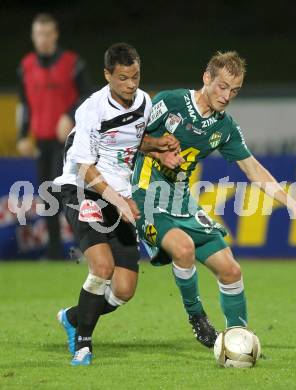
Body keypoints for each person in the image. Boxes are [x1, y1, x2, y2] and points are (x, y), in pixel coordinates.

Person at [132, 51, 296, 348]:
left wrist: (294, 205)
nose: (227, 95)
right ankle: (197, 318)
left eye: (234, 90)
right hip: (145, 195)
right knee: (183, 248)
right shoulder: (170, 102)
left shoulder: (225, 127)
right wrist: (156, 150)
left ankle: (238, 341)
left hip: (182, 200)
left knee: (231, 270)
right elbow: (128, 138)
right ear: (206, 79)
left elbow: (254, 169)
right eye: (222, 86)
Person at [54, 42, 179, 366]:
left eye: (135, 76)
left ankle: (73, 317)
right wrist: (119, 202)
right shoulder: (91, 110)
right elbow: (84, 167)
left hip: (118, 192)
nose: (131, 84)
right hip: (83, 188)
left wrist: (156, 149)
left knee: (124, 289)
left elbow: (130, 140)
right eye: (123, 78)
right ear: (107, 75)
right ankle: (83, 344)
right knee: (102, 267)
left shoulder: (144, 101)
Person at [16, 13, 91, 259]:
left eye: (48, 34)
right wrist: (23, 134)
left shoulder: (72, 64)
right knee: (48, 197)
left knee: (71, 196)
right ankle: (55, 253)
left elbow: (88, 98)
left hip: (70, 143)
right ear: (33, 36)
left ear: (56, 35)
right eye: (39, 34)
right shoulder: (26, 67)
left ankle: (88, 249)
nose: (44, 39)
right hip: (43, 142)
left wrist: (69, 114)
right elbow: (24, 104)